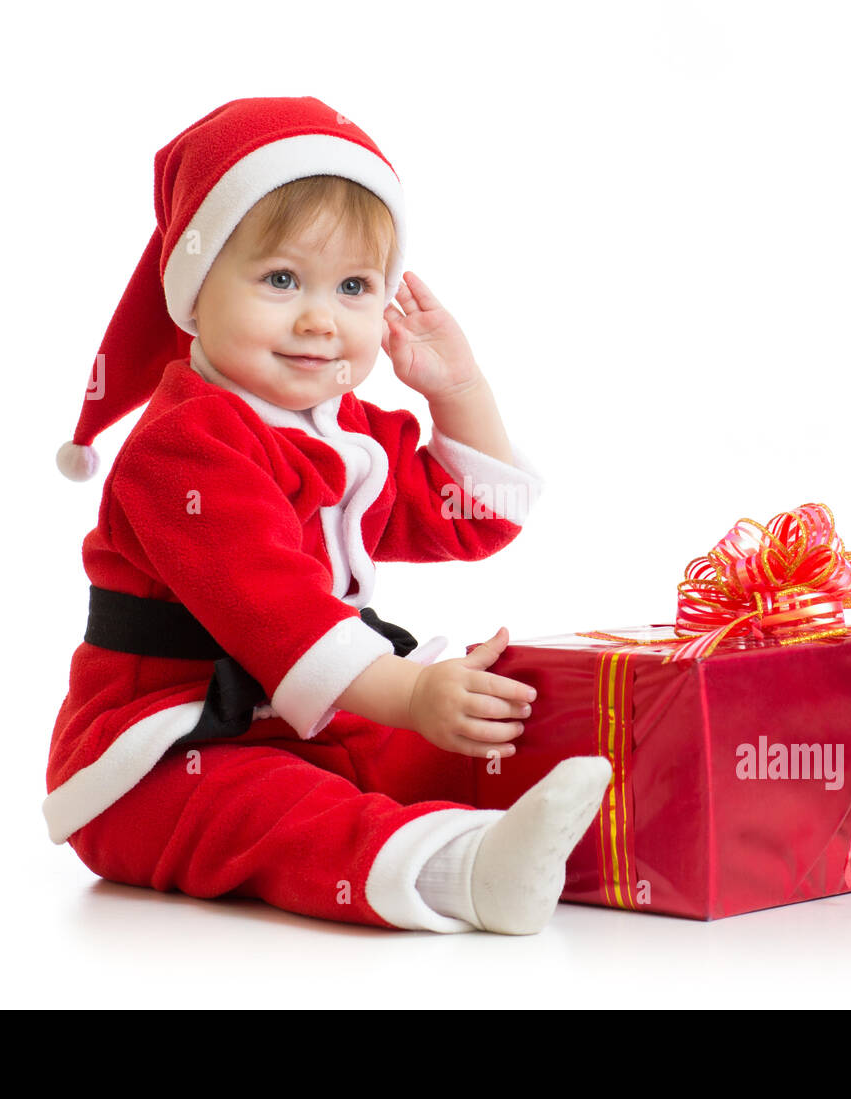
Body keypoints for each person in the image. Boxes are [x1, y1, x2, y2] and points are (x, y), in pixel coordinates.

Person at [45, 96, 613, 934]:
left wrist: (459, 391)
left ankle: (587, 819)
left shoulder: (348, 434)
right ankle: (458, 870)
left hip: (315, 714)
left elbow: (472, 516)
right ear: (196, 293)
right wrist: (416, 690)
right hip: (167, 747)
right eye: (281, 280)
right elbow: (279, 612)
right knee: (271, 808)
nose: (319, 318)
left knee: (466, 738)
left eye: (353, 287)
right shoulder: (182, 446)